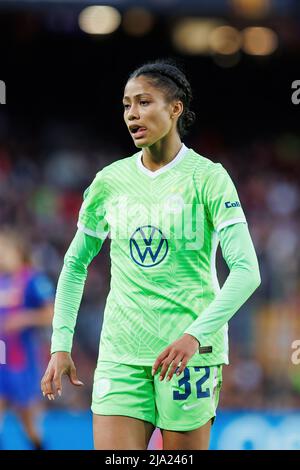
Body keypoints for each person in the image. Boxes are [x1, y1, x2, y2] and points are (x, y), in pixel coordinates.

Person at [41, 59, 261, 450]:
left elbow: (247, 271)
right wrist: (61, 344)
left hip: (188, 355)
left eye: (144, 102)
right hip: (121, 353)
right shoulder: (110, 181)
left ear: (175, 108)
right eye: (127, 105)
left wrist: (195, 335)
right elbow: (75, 264)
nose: (132, 114)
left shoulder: (208, 177)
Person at [0, 227, 54, 449]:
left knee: (28, 423)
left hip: (22, 360)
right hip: (1, 358)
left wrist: (23, 319)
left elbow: (50, 314)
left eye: (3, 250)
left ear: (17, 251)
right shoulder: (2, 280)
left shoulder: (33, 279)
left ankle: (38, 443)